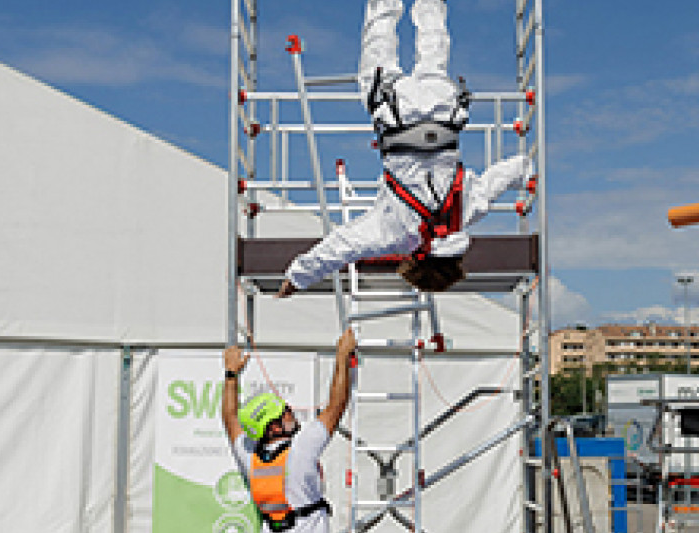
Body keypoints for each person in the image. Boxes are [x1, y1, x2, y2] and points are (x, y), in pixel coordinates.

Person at [277, 0, 534, 298]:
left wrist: (529, 174)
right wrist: (296, 279)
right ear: (416, 262)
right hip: (396, 115)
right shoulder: (396, 235)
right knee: (379, 40)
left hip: (443, 112)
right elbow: (340, 246)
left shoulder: (466, 213)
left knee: (434, 45)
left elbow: (506, 173)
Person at [221, 329, 356, 533]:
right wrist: (342, 356)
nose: (291, 412)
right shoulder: (300, 448)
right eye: (285, 412)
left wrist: (231, 374)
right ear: (274, 427)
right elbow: (336, 406)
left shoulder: (250, 457)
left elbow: (230, 419)